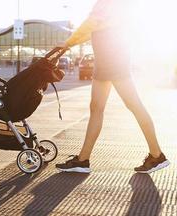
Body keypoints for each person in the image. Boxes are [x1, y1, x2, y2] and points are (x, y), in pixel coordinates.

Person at [55, 0, 170, 174]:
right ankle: (83, 159)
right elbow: (94, 28)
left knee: (133, 105)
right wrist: (72, 42)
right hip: (109, 60)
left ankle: (157, 155)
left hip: (112, 60)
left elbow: (91, 23)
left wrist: (68, 42)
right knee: (97, 108)